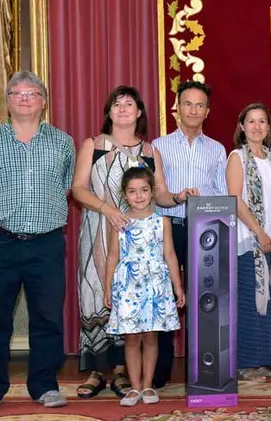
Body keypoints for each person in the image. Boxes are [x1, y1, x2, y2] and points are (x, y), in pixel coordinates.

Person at [0, 70, 75, 414]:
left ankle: (45, 385)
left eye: (32, 93)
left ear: (43, 101)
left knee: (48, 317)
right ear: (7, 101)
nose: (25, 98)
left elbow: (66, 186)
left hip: (46, 244)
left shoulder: (62, 142)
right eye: (17, 93)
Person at [71, 86, 192, 398]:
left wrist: (177, 197)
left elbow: (161, 193)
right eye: (116, 104)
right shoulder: (93, 145)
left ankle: (125, 374)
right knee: (98, 296)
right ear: (109, 112)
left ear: (139, 112)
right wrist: (108, 209)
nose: (123, 108)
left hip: (141, 240)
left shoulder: (151, 152)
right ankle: (99, 371)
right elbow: (79, 189)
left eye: (129, 104)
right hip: (100, 230)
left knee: (134, 306)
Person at [152, 80, 227, 388]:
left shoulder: (218, 149)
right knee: (167, 299)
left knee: (205, 303)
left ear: (207, 112)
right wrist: (179, 197)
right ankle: (160, 372)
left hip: (206, 232)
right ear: (177, 108)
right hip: (169, 228)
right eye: (188, 104)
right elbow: (157, 194)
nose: (193, 110)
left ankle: (206, 374)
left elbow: (223, 196)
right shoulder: (158, 146)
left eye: (200, 105)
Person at [105, 167, 186, 406]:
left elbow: (170, 254)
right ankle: (134, 387)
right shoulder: (119, 222)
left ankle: (148, 385)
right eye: (132, 191)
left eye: (143, 190)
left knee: (151, 336)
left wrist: (177, 287)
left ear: (152, 193)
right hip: (128, 285)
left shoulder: (162, 222)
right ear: (124, 194)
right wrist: (108, 288)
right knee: (131, 337)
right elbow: (112, 256)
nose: (138, 196)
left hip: (155, 284)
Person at [226, 103, 271, 381]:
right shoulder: (237, 157)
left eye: (262, 121)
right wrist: (259, 232)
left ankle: (263, 359)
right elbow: (235, 199)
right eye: (251, 121)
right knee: (250, 299)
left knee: (268, 298)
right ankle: (246, 362)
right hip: (246, 240)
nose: (257, 127)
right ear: (242, 126)